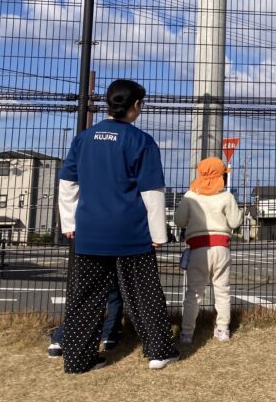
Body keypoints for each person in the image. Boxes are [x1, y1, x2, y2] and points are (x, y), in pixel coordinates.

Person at [58, 79, 179, 373]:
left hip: (89, 232)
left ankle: (77, 360)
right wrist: (158, 234)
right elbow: (151, 192)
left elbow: (67, 184)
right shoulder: (141, 141)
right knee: (144, 294)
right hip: (131, 233)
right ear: (136, 105)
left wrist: (69, 223)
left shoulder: (84, 139)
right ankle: (159, 352)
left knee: (83, 298)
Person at [174, 157, 243, 344]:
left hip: (197, 248)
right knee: (222, 290)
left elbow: (179, 221)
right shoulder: (226, 196)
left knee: (194, 292)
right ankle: (222, 330)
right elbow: (236, 222)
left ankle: (187, 333)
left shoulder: (190, 196)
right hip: (221, 247)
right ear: (221, 176)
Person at [48, 275, 123, 357]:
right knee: (114, 297)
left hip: (88, 269)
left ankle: (58, 341)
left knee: (84, 303)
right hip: (111, 268)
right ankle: (109, 337)